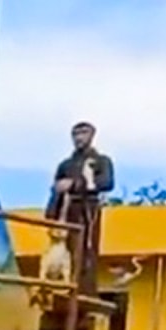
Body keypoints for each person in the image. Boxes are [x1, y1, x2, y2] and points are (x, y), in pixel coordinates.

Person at [45, 122, 115, 295]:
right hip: (65, 212)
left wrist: (76, 184)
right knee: (61, 253)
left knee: (85, 252)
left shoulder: (101, 161)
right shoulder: (65, 165)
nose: (79, 138)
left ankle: (82, 291)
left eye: (83, 133)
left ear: (92, 135)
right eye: (76, 134)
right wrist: (51, 215)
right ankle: (60, 288)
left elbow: (106, 183)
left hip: (87, 211)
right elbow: (56, 189)